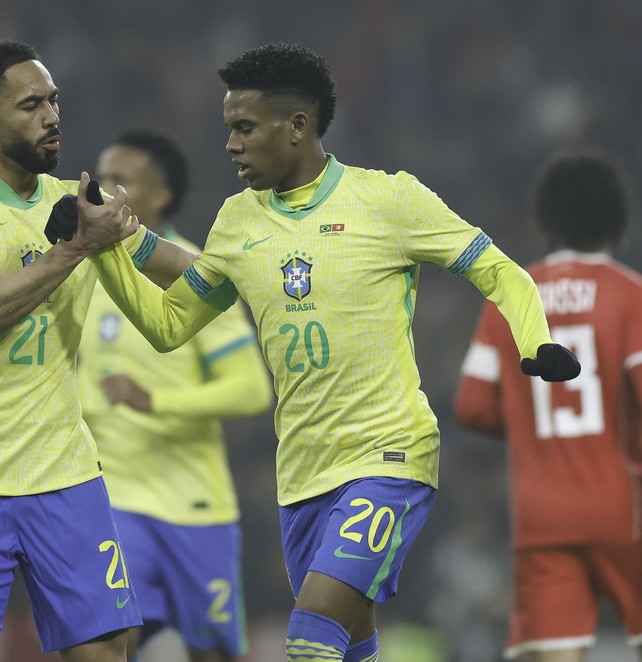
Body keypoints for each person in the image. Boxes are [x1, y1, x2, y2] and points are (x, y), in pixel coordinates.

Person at [78, 43, 580, 662]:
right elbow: (169, 323)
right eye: (228, 129)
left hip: (387, 454)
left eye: (244, 128)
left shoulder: (389, 200)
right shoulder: (236, 222)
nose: (231, 144)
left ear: (297, 127)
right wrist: (105, 251)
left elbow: (500, 271)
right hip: (303, 476)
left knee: (311, 632)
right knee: (349, 648)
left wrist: (537, 342)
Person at [0, 40, 153, 662]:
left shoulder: (80, 204)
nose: (52, 116)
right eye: (32, 104)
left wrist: (255, 256)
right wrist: (71, 251)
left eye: (55, 101)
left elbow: (184, 278)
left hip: (64, 475)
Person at [454, 151, 642, 661]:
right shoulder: (638, 295)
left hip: (541, 514)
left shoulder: (509, 296)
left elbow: (471, 405)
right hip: (624, 509)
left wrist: (530, 426)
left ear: (546, 219)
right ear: (618, 218)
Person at [83, 129, 273, 661]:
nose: (103, 190)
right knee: (106, 646)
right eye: (102, 178)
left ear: (159, 196)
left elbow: (250, 389)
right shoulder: (81, 268)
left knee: (212, 654)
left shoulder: (197, 276)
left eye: (120, 181)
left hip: (195, 506)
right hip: (114, 501)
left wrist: (156, 402)